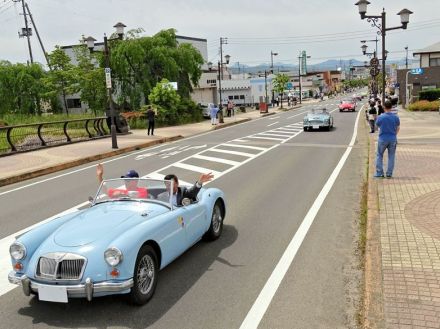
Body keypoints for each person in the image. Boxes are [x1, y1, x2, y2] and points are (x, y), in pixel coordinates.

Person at [374, 100, 400, 178]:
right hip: (392, 138)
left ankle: (379, 173)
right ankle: (389, 173)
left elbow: (376, 126)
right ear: (391, 107)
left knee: (379, 155)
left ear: (384, 107)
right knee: (391, 156)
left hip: (382, 138)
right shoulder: (395, 117)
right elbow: (398, 128)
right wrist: (394, 134)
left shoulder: (381, 117)